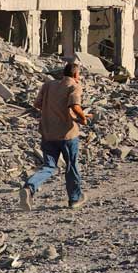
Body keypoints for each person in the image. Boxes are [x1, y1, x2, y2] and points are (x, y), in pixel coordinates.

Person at [19, 62, 93, 210]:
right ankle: (75, 199)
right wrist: (83, 118)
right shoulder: (74, 86)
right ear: (76, 74)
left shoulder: (48, 85)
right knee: (71, 166)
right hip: (67, 135)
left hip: (48, 133)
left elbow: (37, 104)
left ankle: (29, 187)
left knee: (49, 166)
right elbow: (74, 105)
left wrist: (52, 110)